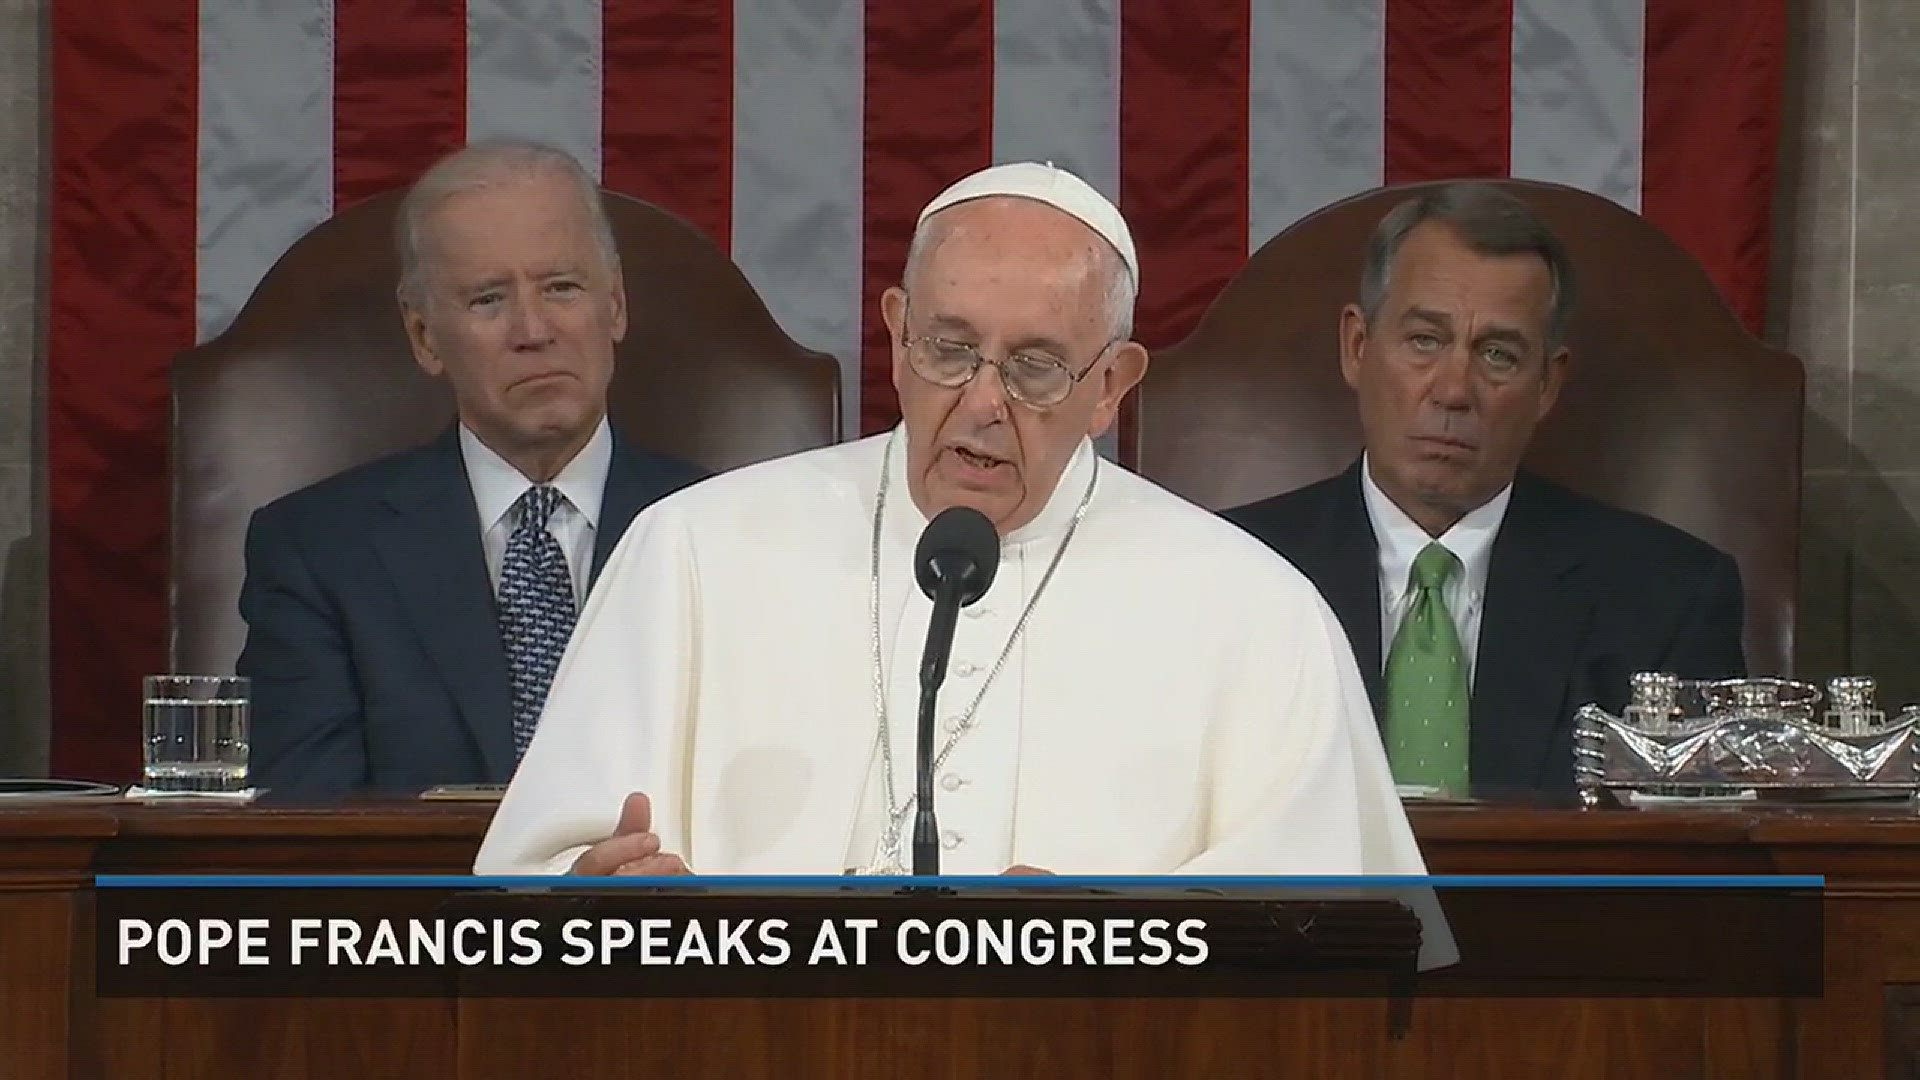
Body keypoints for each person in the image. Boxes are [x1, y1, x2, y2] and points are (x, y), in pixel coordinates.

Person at [474, 162, 1426, 878]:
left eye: (1038, 366)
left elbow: (1327, 946)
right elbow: (532, 892)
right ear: (894, 333)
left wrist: (1109, 946)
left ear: (1111, 387)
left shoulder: (1255, 612)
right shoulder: (690, 553)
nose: (981, 402)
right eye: (949, 348)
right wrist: (597, 907)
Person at [1224, 182, 1746, 800]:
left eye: (1497, 354)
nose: (1453, 390)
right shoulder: (1227, 572)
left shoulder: (1670, 598)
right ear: (1358, 348)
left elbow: (1695, 869)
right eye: (1424, 341)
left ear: (1547, 385)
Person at [238, 139, 706, 800]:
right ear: (426, 337)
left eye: (562, 287)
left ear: (617, 306)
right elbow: (306, 837)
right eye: (488, 300)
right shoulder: (319, 553)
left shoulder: (729, 530)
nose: (533, 329)